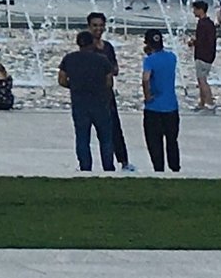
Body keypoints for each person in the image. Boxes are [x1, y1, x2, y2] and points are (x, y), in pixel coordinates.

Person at [58, 27, 121, 170]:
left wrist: (74, 86)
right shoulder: (102, 60)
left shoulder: (69, 59)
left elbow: (61, 80)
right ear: (92, 43)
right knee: (105, 138)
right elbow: (109, 82)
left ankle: (85, 167)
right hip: (100, 103)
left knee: (82, 138)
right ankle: (108, 167)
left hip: (80, 103)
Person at [84, 12, 130, 169]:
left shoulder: (108, 47)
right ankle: (86, 164)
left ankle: (123, 161)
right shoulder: (86, 48)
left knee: (115, 128)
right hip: (91, 96)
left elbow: (115, 68)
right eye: (95, 25)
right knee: (87, 131)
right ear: (89, 27)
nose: (98, 29)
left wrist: (108, 69)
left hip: (107, 95)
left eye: (101, 25)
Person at [141, 27, 182, 170]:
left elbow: (146, 79)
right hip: (171, 106)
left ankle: (159, 169)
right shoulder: (172, 57)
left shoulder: (149, 60)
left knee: (154, 142)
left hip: (154, 107)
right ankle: (175, 168)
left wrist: (147, 96)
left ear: (147, 43)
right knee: (172, 141)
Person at [189, 3, 219, 111]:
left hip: (202, 56)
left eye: (195, 10)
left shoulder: (202, 24)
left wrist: (192, 42)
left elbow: (201, 41)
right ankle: (201, 103)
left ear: (201, 10)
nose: (193, 12)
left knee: (202, 80)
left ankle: (210, 102)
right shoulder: (210, 23)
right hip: (209, 55)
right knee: (201, 79)